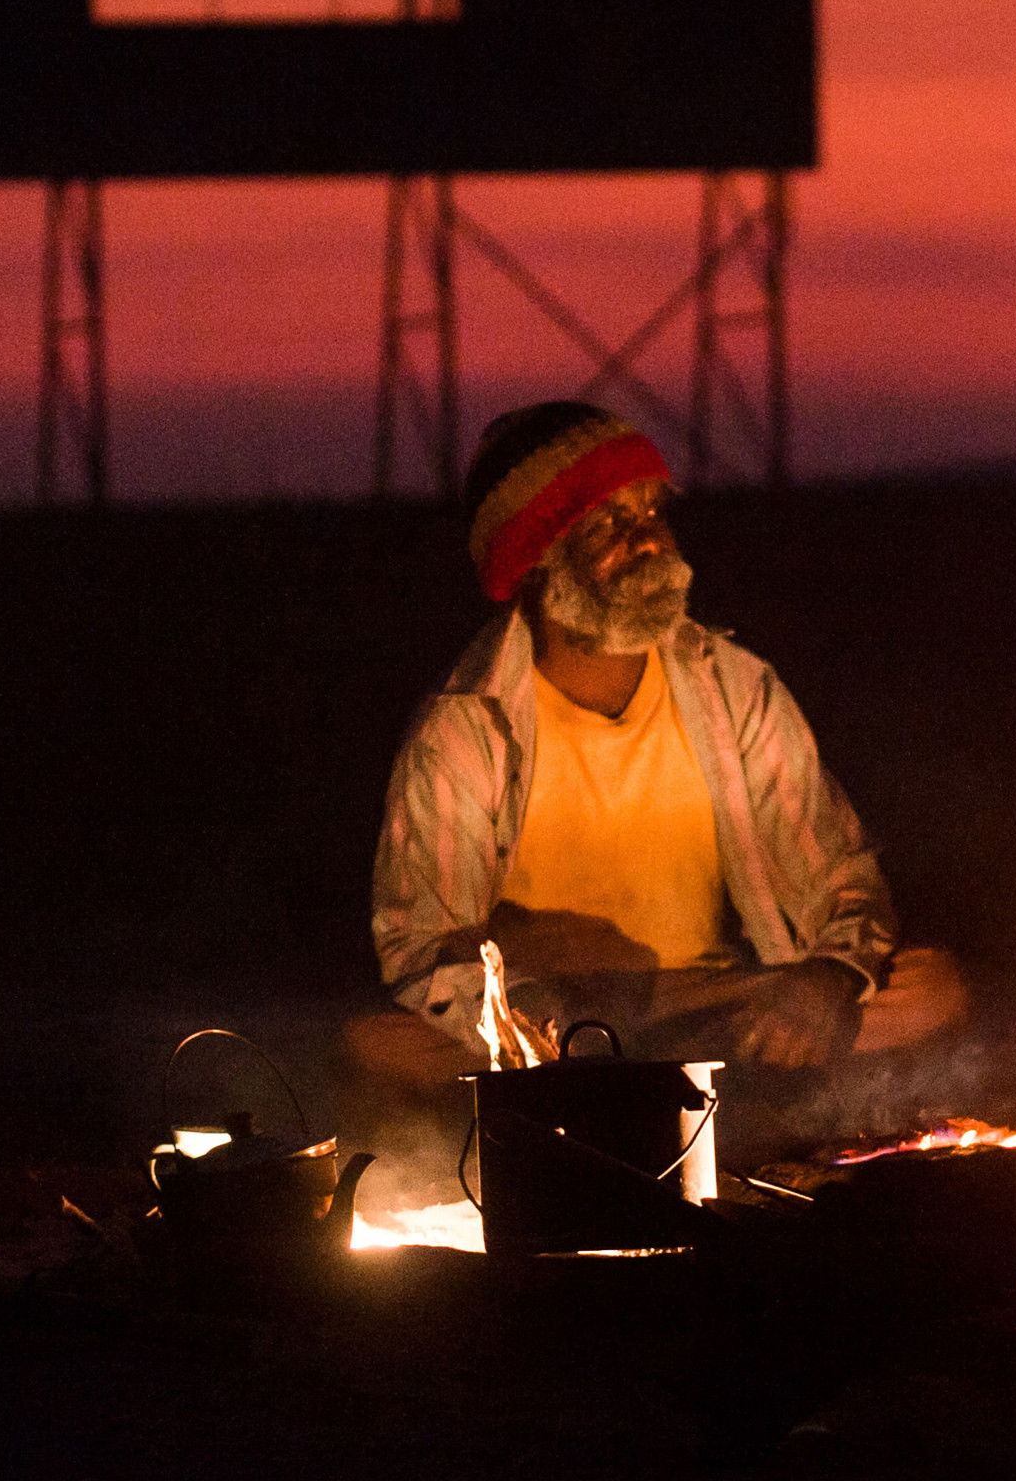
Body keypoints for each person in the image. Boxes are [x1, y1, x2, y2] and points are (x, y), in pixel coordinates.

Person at [360, 404, 961, 1106]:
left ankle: (703, 1090)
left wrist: (823, 980)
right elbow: (423, 943)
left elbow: (840, 878)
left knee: (930, 992)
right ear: (535, 561)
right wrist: (530, 1010)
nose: (649, 539)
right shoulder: (466, 727)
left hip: (713, 1004)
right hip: (543, 1015)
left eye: (652, 512)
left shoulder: (732, 687)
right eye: (609, 524)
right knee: (379, 1047)